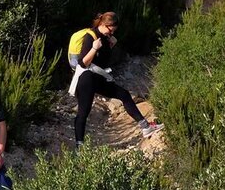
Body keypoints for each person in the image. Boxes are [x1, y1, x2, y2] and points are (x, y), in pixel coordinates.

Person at [67, 11, 161, 146]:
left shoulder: (106, 38)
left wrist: (110, 45)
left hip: (97, 77)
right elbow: (83, 63)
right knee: (83, 112)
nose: (111, 34)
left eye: (113, 32)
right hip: (86, 79)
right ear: (104, 25)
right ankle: (79, 146)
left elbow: (103, 60)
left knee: (124, 94)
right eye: (111, 31)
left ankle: (145, 127)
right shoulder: (90, 37)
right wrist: (94, 48)